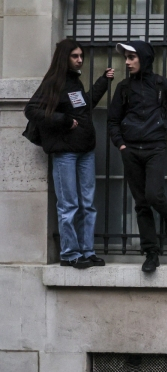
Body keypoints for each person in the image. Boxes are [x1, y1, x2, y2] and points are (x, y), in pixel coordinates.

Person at [25, 39, 113, 269]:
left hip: (85, 150)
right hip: (65, 153)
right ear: (64, 58)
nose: (80, 59)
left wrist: (103, 82)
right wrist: (62, 120)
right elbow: (31, 109)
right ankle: (69, 253)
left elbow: (84, 107)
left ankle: (87, 251)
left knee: (87, 204)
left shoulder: (74, 82)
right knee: (69, 205)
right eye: (75, 56)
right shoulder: (54, 82)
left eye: (81, 55)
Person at [108, 41, 167, 273]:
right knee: (142, 204)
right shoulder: (123, 88)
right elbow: (113, 120)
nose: (127, 62)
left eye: (131, 57)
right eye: (125, 58)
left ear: (143, 58)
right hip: (131, 151)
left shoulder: (160, 84)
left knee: (154, 194)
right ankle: (151, 253)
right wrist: (121, 144)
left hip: (156, 148)